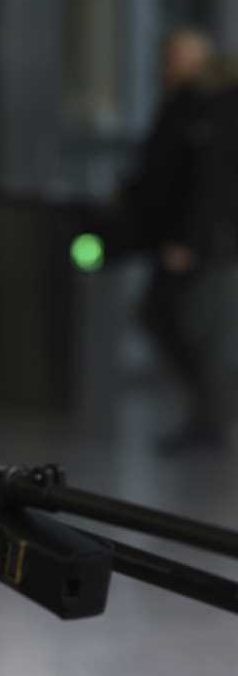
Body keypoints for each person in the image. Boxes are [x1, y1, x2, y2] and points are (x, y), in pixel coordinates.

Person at [119, 28, 234, 452]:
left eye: (176, 56)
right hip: (177, 242)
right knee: (163, 318)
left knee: (195, 329)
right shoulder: (180, 105)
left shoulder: (215, 109)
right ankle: (209, 416)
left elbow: (213, 186)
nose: (166, 64)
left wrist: (191, 241)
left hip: (204, 248)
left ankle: (211, 421)